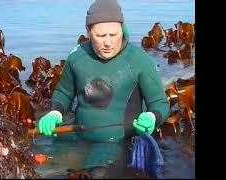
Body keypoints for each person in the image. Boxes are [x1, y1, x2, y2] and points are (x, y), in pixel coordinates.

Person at [37, 0, 170, 177]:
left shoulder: (140, 60)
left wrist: (152, 117)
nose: (108, 42)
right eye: (100, 36)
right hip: (76, 133)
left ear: (122, 29)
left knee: (97, 174)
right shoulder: (77, 56)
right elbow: (64, 93)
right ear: (88, 32)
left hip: (115, 142)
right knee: (39, 167)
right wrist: (55, 112)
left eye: (114, 34)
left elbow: (160, 103)